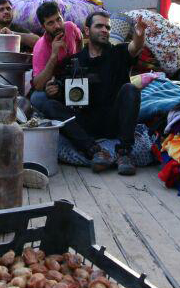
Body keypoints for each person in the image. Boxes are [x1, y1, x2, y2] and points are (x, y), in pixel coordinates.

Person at [30, 10, 147, 175]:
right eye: (99, 26)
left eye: (107, 27)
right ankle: (94, 151)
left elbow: (135, 47)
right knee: (49, 105)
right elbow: (62, 94)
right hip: (85, 125)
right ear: (87, 30)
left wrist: (139, 35)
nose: (104, 30)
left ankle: (124, 153)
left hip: (113, 122)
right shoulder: (72, 62)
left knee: (131, 89)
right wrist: (53, 91)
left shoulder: (119, 53)